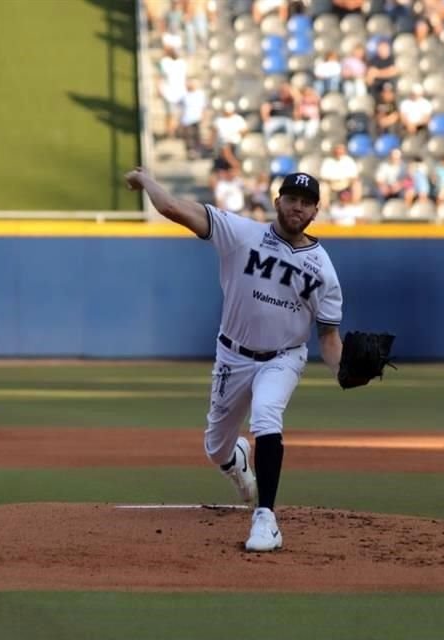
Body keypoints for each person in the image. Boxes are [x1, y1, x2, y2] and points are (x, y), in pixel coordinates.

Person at [123, 167, 345, 551]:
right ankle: (235, 459)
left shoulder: (323, 269)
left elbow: (327, 336)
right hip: (233, 355)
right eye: (291, 199)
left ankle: (266, 520)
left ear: (315, 211)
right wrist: (145, 180)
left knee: (266, 416)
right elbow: (174, 208)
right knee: (215, 447)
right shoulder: (241, 233)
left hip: (284, 358)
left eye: (306, 203)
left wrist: (344, 372)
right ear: (277, 201)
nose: (297, 207)